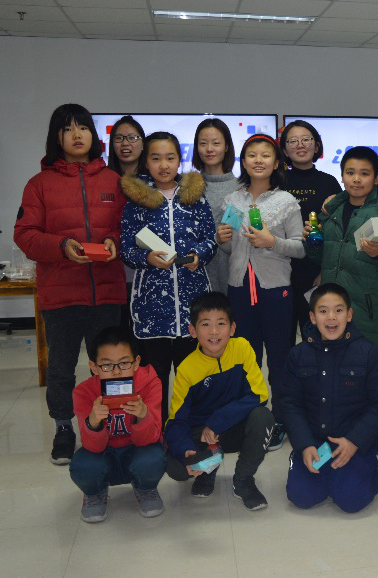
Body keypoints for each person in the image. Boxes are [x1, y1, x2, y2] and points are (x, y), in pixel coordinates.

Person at [14, 103, 126, 465]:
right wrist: (62, 246)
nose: (76, 135)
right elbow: (25, 234)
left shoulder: (113, 181)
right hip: (61, 294)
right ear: (56, 137)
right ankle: (64, 429)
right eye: (67, 129)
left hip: (107, 292)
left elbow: (127, 227)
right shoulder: (39, 184)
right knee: (61, 369)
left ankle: (114, 424)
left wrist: (114, 242)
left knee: (112, 366)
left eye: (83, 127)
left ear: (93, 135)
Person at [119, 132, 217, 424]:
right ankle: (156, 430)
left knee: (193, 376)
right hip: (151, 308)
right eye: (156, 158)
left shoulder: (195, 198)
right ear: (146, 162)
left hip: (193, 304)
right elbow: (126, 248)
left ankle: (191, 430)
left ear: (179, 160)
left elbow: (210, 238)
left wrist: (200, 255)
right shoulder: (136, 202)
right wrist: (146, 258)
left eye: (170, 158)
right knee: (155, 378)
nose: (163, 165)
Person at [216, 134, 305, 451]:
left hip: (275, 290)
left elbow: (300, 248)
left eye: (265, 155)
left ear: (276, 162)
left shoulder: (286, 201)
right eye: (251, 155)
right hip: (239, 288)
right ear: (243, 161)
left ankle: (280, 419)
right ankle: (250, 418)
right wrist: (223, 239)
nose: (258, 160)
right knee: (245, 357)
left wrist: (272, 242)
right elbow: (228, 249)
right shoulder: (232, 200)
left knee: (280, 358)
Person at [282, 283, 378, 513]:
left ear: (349, 315)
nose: (331, 318)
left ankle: (371, 466)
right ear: (312, 317)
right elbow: (290, 404)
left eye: (339, 310)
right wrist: (304, 445)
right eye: (323, 311)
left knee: (351, 501)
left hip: (353, 441)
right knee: (301, 497)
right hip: (314, 441)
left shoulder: (368, 353)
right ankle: (319, 469)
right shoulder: (297, 355)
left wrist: (355, 441)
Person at [164, 291, 275, 509]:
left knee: (263, 417)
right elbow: (176, 421)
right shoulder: (186, 369)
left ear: (232, 328)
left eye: (221, 324)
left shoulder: (242, 348)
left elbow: (260, 394)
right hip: (202, 435)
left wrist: (217, 422)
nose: (214, 331)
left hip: (234, 427)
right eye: (205, 324)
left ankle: (243, 481)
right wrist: (186, 449)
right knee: (175, 468)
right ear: (193, 331)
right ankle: (207, 472)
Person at [303, 145, 378, 354]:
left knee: (364, 368)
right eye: (350, 173)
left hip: (367, 316)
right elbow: (319, 259)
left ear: (376, 179)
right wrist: (311, 241)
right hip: (330, 313)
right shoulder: (330, 212)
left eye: (364, 174)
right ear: (342, 176)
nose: (356, 179)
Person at [69, 326, 166, 523]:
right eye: (106, 365)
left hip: (138, 452)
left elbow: (151, 438)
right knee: (81, 465)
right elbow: (91, 446)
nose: (116, 372)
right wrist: (93, 422)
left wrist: (143, 416)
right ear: (94, 367)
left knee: (154, 459)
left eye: (124, 363)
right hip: (104, 455)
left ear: (136, 362)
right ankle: (95, 492)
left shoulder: (151, 383)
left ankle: (146, 488)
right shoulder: (83, 392)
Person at [280, 120, 342, 342]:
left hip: (316, 273)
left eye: (306, 139)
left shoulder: (329, 183)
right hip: (281, 272)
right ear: (284, 149)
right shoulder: (276, 182)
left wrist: (325, 271)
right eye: (293, 141)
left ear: (316, 146)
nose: (300, 145)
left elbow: (338, 233)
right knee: (283, 339)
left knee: (316, 337)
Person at [106, 115, 146, 339]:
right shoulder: (103, 181)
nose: (126, 143)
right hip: (113, 272)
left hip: (148, 269)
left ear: (143, 143)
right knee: (119, 338)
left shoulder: (155, 181)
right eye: (119, 138)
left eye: (132, 137)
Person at [192, 118, 240, 294]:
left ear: (226, 147)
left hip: (231, 275)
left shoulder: (240, 188)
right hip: (194, 273)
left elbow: (236, 237)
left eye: (216, 143)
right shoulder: (187, 187)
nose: (209, 149)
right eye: (203, 143)